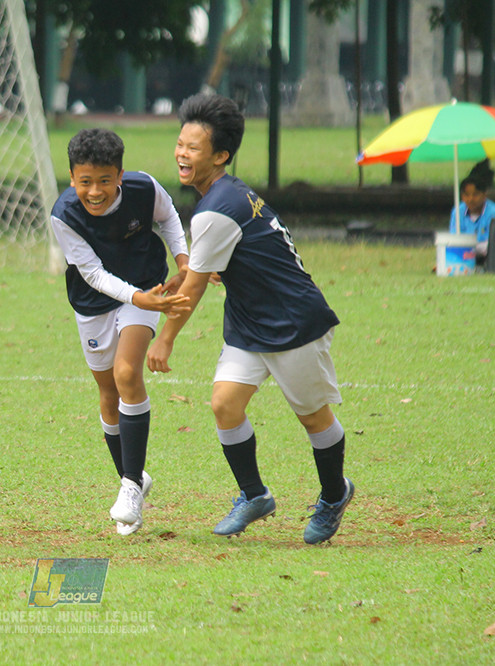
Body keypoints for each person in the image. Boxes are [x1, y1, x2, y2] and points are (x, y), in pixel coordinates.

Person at [147, 93, 353, 545]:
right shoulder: (225, 196)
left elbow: (196, 287)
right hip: (249, 321)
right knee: (225, 404)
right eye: (180, 144)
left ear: (220, 156)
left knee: (314, 418)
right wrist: (183, 278)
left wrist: (165, 338)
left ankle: (335, 494)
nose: (182, 154)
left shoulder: (217, 209)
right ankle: (255, 495)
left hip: (292, 322)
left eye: (193, 148)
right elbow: (211, 266)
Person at [50, 128, 191, 536]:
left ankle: (129, 488)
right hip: (94, 300)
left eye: (105, 181)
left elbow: (168, 217)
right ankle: (134, 478)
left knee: (127, 374)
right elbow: (93, 274)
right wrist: (136, 298)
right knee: (108, 394)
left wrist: (183, 261)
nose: (95, 192)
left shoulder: (144, 188)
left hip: (146, 286)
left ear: (120, 175)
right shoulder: (63, 215)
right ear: (72, 178)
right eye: (85, 182)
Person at [450, 159, 495, 263]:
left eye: (475, 194)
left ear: (484, 195)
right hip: (469, 255)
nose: (470, 199)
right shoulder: (458, 212)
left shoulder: (494, 212)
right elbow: (454, 238)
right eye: (466, 195)